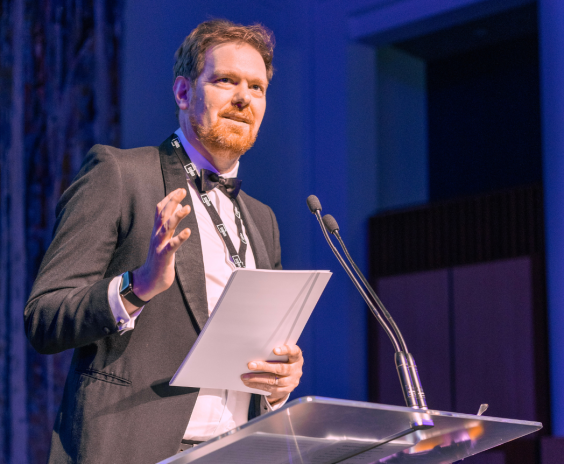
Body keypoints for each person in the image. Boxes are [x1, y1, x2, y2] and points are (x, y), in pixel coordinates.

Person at [24, 19, 304, 463]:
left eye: (257, 87)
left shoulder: (262, 219)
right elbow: (44, 318)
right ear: (183, 92)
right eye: (225, 80)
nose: (243, 98)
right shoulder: (121, 175)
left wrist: (277, 385)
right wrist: (137, 287)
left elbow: (259, 355)